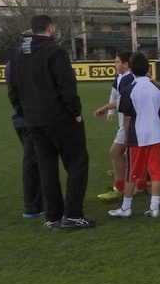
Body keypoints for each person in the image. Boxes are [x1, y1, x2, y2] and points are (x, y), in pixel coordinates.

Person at [7, 14, 94, 229]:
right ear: (51, 28)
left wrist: (24, 111)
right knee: (77, 163)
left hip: (33, 121)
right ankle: (72, 215)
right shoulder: (55, 52)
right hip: (59, 117)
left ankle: (53, 217)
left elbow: (14, 91)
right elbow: (66, 86)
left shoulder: (18, 57)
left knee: (47, 168)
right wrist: (75, 111)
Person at [108, 52, 160, 218]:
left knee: (132, 173)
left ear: (130, 67)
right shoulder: (156, 88)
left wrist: (128, 137)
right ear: (147, 68)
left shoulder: (129, 91)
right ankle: (155, 207)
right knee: (156, 171)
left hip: (137, 137)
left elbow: (127, 118)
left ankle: (126, 207)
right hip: (156, 135)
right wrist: (157, 119)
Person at [94, 51, 138, 201]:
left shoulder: (129, 79)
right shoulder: (120, 77)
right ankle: (139, 183)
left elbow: (124, 100)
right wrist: (110, 111)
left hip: (129, 122)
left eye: (117, 62)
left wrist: (105, 108)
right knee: (128, 154)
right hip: (125, 122)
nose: (114, 64)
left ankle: (120, 188)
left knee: (115, 152)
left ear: (126, 64)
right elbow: (115, 94)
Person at [5, 55, 44, 218]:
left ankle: (42, 199)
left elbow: (13, 93)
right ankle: (33, 206)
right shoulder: (25, 64)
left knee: (38, 159)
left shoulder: (12, 64)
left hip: (22, 118)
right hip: (30, 119)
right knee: (33, 160)